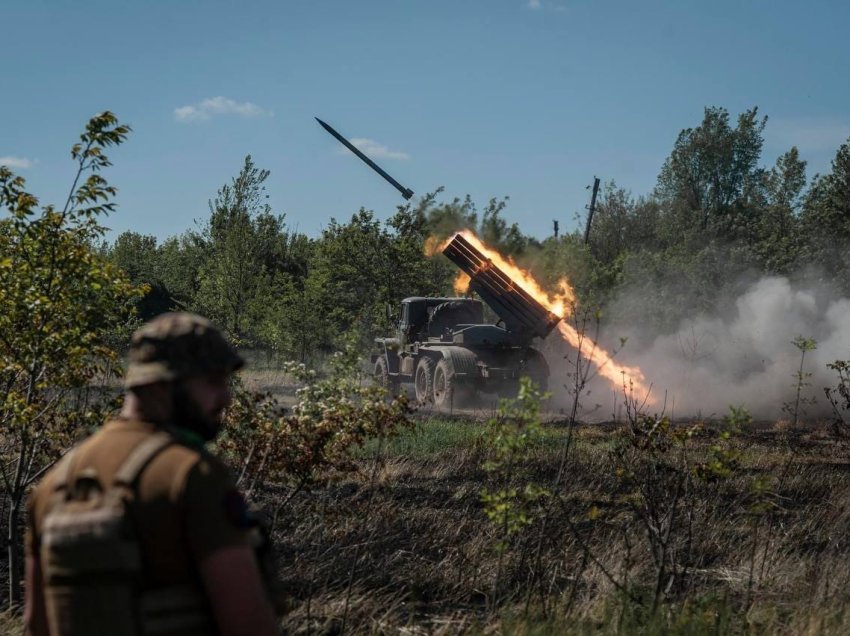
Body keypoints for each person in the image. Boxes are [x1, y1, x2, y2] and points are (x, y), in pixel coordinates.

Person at [24, 312, 279, 636]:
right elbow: (248, 625)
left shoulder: (53, 484)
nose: (226, 398)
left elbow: (37, 624)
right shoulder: (191, 474)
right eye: (213, 382)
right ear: (162, 384)